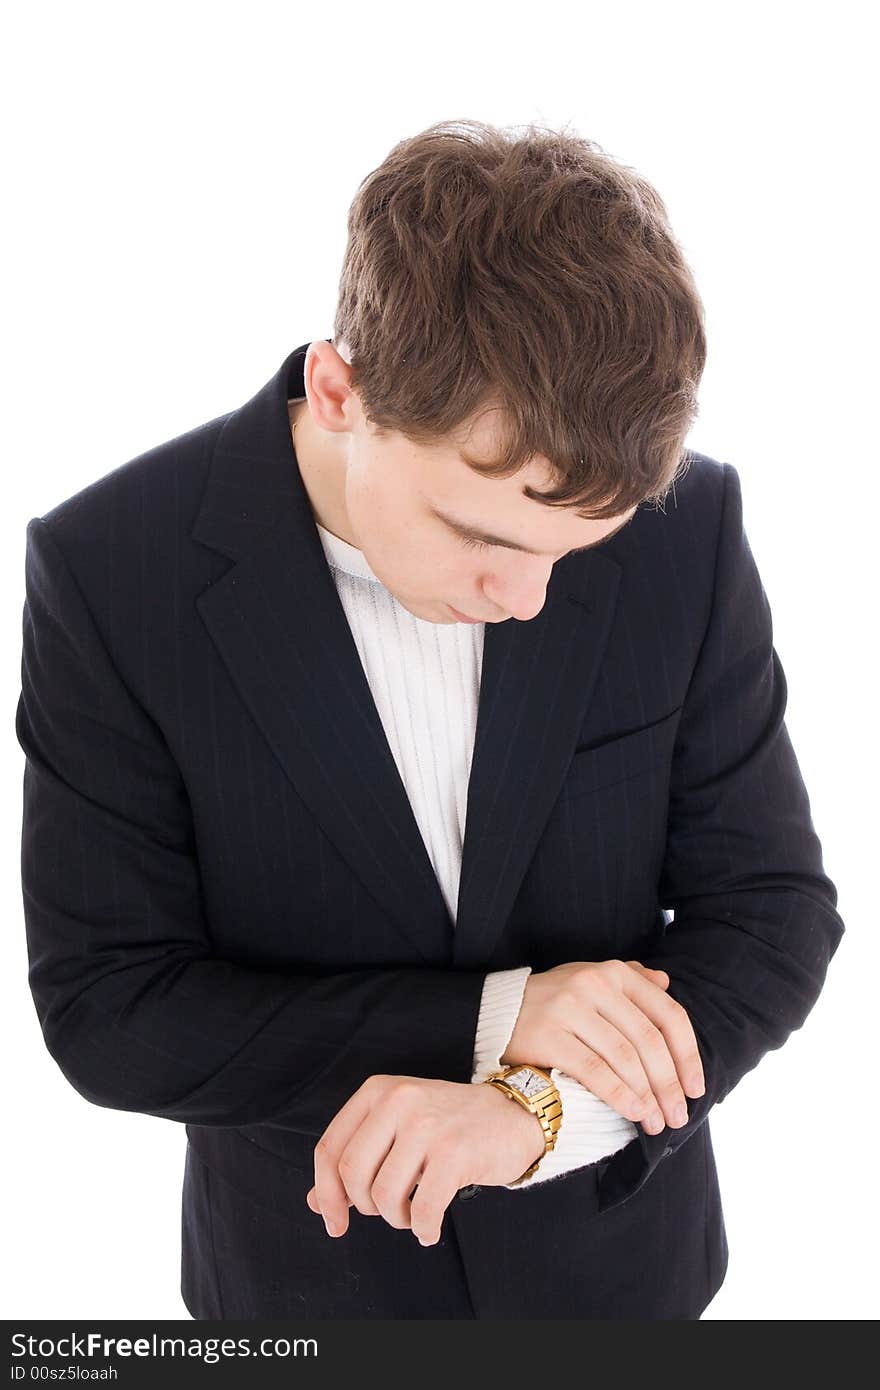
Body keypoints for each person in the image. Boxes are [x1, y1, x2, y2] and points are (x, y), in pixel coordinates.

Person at [16, 118, 845, 1320]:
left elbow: (770, 917)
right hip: (301, 1297)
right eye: (484, 537)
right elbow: (111, 1010)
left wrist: (538, 1114)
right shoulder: (108, 571)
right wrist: (499, 1017)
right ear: (341, 391)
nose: (527, 601)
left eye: (576, 551)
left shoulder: (687, 524)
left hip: (626, 1280)